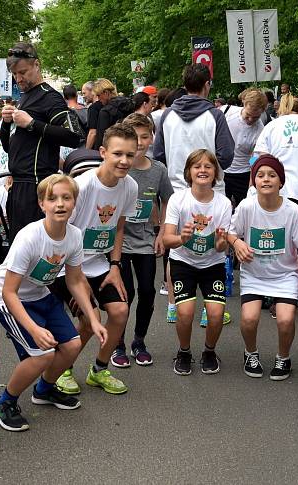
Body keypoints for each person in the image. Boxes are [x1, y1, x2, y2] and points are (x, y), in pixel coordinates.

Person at [0, 174, 106, 432]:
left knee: (73, 344)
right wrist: (34, 328)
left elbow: (75, 280)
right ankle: (4, 403)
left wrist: (94, 320)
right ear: (42, 204)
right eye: (52, 199)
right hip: (7, 298)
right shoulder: (29, 237)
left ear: (75, 202)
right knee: (42, 355)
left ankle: (44, 391)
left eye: (66, 198)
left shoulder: (74, 236)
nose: (60, 204)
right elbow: (9, 292)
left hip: (39, 294)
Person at [49, 123, 138, 395]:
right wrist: (77, 280)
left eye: (130, 155)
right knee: (89, 319)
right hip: (66, 266)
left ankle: (99, 370)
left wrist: (114, 266)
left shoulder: (130, 186)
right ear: (103, 152)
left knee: (120, 311)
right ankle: (63, 369)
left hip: (100, 262)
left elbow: (119, 226)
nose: (124, 161)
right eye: (118, 153)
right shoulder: (83, 186)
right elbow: (61, 233)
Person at [228, 155, 298, 380]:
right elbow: (230, 232)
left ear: (281, 182)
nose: (266, 179)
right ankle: (251, 353)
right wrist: (237, 243)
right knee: (249, 318)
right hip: (254, 273)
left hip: (285, 274)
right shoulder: (247, 207)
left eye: (272, 175)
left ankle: (283, 357)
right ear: (254, 181)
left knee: (286, 320)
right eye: (260, 175)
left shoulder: (293, 210)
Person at [109, 113, 173, 368]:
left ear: (152, 138)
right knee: (126, 293)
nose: (140, 142)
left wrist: (161, 232)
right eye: (135, 137)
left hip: (146, 239)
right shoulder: (120, 168)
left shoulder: (158, 170)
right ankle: (118, 344)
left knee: (147, 291)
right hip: (120, 241)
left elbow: (167, 199)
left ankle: (139, 341)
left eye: (145, 136)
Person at [0, 42, 82, 239]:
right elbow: (8, 147)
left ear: (36, 65)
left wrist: (31, 124)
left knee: (35, 250)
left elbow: (74, 136)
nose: (18, 79)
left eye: (23, 72)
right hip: (18, 186)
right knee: (18, 249)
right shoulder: (24, 97)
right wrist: (5, 123)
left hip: (37, 185)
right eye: (14, 74)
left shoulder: (50, 97)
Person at [163, 149, 231, 375]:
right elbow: (167, 239)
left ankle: (209, 351)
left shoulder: (223, 203)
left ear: (215, 173)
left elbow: (222, 247)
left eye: (208, 166)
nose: (202, 170)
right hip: (183, 262)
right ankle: (184, 352)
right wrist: (182, 238)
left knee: (215, 313)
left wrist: (222, 241)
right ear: (189, 172)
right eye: (197, 166)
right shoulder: (178, 199)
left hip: (213, 264)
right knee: (185, 312)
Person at [154, 64, 235, 193]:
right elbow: (226, 156)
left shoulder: (168, 115)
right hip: (210, 190)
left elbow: (158, 154)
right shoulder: (215, 116)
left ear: (185, 86)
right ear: (207, 85)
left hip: (176, 189)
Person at [222, 88, 268, 207]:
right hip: (222, 171)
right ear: (244, 104)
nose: (250, 120)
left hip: (243, 174)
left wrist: (251, 183)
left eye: (255, 117)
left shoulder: (260, 130)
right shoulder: (226, 113)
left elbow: (255, 157)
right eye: (248, 115)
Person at [87, 78, 118, 150]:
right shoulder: (126, 105)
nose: (98, 98)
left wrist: (88, 152)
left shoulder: (105, 111)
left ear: (106, 93)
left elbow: (100, 137)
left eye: (98, 95)